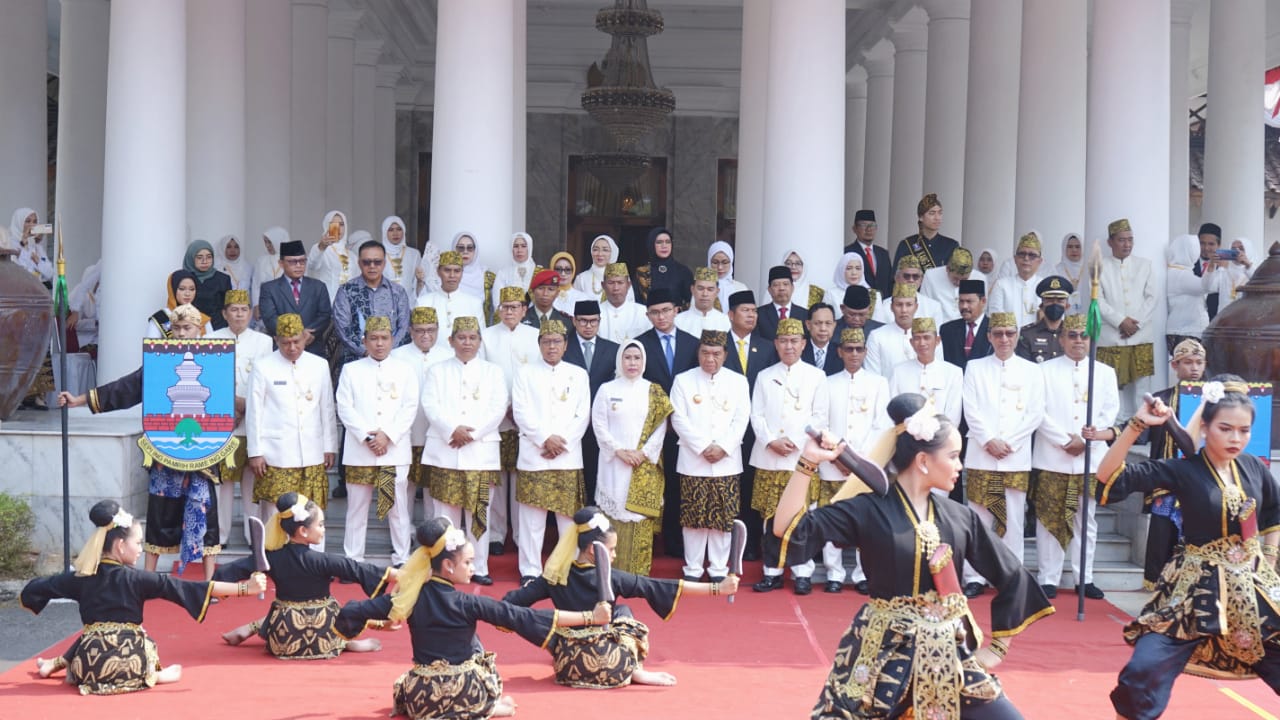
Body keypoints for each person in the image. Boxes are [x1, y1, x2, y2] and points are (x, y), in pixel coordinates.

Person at [772, 394, 1054, 720]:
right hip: (883, 652)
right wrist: (808, 463)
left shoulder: (960, 517)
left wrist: (996, 649)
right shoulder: (868, 511)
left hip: (947, 654)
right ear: (923, 460)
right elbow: (788, 528)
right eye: (953, 456)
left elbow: (1011, 573)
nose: (960, 465)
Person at [1095, 376, 1280, 719]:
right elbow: (1110, 479)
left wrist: (1269, 557)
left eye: (1244, 431)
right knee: (1141, 673)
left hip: (1255, 591)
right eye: (1225, 428)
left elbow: (1273, 512)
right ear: (1206, 426)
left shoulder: (1253, 466)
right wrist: (1137, 425)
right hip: (1195, 591)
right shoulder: (1182, 470)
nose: (1235, 438)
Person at [333, 517, 612, 719]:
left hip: (423, 699)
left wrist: (380, 623)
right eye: (467, 562)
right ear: (447, 565)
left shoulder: (407, 599)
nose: (473, 568)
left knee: (411, 677)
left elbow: (352, 611)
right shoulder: (469, 603)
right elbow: (525, 617)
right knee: (479, 654)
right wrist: (591, 616)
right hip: (465, 691)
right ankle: (485, 708)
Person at [22, 500, 266, 694]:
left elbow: (38, 588)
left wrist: (30, 597)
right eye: (137, 542)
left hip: (90, 667)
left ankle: (60, 665)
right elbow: (196, 588)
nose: (141, 548)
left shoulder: (78, 579)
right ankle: (153, 675)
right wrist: (247, 589)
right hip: (133, 663)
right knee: (128, 634)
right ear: (119, 546)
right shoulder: (139, 579)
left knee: (95, 632)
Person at [60, 305, 223, 579]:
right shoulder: (159, 361)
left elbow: (222, 403)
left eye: (188, 328)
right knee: (160, 513)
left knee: (205, 514)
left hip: (203, 453)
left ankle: (208, 581)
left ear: (199, 330)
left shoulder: (216, 360)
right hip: (165, 449)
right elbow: (126, 388)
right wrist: (80, 399)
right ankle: (147, 579)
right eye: (178, 328)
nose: (182, 334)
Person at [503, 507, 740, 688]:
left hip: (568, 665)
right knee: (623, 612)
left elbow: (510, 605)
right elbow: (657, 586)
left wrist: (481, 608)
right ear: (593, 550)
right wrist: (718, 589)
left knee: (536, 618)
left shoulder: (552, 579)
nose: (614, 555)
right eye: (612, 549)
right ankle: (636, 669)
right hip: (613, 662)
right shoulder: (612, 578)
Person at [216, 492, 393, 657]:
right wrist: (405, 574)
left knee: (283, 606)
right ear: (303, 530)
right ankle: (346, 642)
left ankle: (250, 627)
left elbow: (228, 571)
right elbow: (361, 570)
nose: (324, 529)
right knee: (335, 606)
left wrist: (218, 588)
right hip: (324, 639)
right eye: (320, 525)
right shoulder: (325, 561)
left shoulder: (270, 559)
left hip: (283, 639)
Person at [1030, 314, 1118, 600]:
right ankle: (1048, 578)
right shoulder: (1043, 371)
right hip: (1053, 455)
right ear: (1061, 338)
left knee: (1086, 519)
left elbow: (1109, 411)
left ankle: (1085, 577)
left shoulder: (1105, 372)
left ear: (1091, 339)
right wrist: (1065, 439)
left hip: (1089, 457)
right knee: (1049, 518)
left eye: (1083, 335)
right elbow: (1038, 411)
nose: (1078, 340)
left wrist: (1087, 439)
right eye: (1073, 335)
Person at [960, 312, 1046, 597]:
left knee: (1013, 519)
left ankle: (1011, 575)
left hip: (1015, 455)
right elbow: (970, 409)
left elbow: (1035, 412)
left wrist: (1010, 442)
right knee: (979, 519)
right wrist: (988, 440)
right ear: (989, 336)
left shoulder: (1032, 370)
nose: (1004, 339)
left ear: (1017, 335)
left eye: (1009, 333)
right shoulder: (974, 367)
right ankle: (974, 576)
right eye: (998, 333)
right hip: (981, 454)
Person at [422, 316, 508, 585]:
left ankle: (478, 567)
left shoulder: (493, 372)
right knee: (445, 514)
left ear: (480, 342)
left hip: (480, 451)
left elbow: (498, 407)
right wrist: (452, 430)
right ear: (451, 341)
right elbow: (430, 404)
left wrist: (472, 433)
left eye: (472, 338)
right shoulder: (437, 370)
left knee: (479, 513)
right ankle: (445, 567)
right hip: (445, 449)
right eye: (462, 337)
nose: (467, 342)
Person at [749, 318, 829, 595]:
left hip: (801, 458)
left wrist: (795, 441)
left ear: (804, 344)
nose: (789, 346)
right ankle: (771, 572)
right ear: (776, 343)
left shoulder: (816, 376)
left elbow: (820, 416)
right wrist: (771, 440)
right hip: (769, 456)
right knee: (770, 517)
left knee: (801, 516)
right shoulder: (764, 375)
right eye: (783, 341)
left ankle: (802, 572)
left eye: (794, 341)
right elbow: (756, 414)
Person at [512, 319, 592, 583]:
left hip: (567, 457)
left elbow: (583, 414)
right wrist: (544, 439)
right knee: (531, 520)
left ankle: (566, 567)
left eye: (557, 341)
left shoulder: (578, 374)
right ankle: (530, 570)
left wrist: (562, 442)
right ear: (539, 345)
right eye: (546, 341)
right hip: (535, 455)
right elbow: (521, 411)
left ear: (566, 345)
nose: (551, 346)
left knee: (568, 519)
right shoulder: (524, 373)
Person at [336, 316, 419, 566]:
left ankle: (402, 558)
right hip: (360, 450)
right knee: (357, 509)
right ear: (365, 341)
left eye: (384, 338)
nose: (379, 344)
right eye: (374, 338)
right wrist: (368, 436)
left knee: (397, 508)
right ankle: (353, 559)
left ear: (392, 340)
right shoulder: (352, 370)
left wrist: (388, 436)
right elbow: (344, 407)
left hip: (393, 450)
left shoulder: (405, 370)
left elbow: (409, 407)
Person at [669, 331, 750, 581]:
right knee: (693, 518)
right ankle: (692, 569)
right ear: (698, 353)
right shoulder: (683, 381)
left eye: (716, 353)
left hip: (727, 461)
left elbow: (741, 419)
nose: (710, 358)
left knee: (722, 518)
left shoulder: (738, 381)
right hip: (694, 460)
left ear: (725, 355)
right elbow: (677, 418)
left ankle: (718, 569)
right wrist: (703, 446)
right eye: (705, 352)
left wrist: (723, 447)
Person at [817, 327, 891, 594]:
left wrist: (856, 460)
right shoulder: (827, 382)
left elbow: (881, 425)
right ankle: (834, 573)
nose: (854, 354)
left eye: (859, 349)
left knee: (866, 521)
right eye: (849, 349)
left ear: (866, 352)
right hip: (832, 462)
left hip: (865, 464)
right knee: (832, 517)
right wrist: (839, 456)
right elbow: (820, 421)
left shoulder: (879, 383)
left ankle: (862, 573)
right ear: (840, 352)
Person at [247, 313, 339, 526]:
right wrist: (255, 452)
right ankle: (274, 557)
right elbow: (255, 412)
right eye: (285, 343)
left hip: (312, 451)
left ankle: (313, 558)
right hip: (275, 453)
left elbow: (326, 408)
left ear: (305, 337)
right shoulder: (263, 366)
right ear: (276, 340)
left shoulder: (319, 365)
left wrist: (329, 446)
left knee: (312, 512)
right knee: (275, 514)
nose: (292, 348)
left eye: (296, 341)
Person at [592, 340, 674, 575]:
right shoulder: (607, 389)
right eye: (627, 357)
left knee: (638, 518)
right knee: (614, 514)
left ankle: (638, 573)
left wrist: (644, 453)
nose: (632, 363)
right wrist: (619, 451)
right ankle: (611, 572)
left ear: (644, 361)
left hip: (643, 466)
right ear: (620, 360)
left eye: (637, 358)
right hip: (614, 464)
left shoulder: (654, 390)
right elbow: (598, 424)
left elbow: (661, 427)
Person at [1135, 339, 1206, 591]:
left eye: (1199, 362)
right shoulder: (1161, 399)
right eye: (1187, 362)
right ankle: (1156, 588)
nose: (1194, 368)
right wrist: (1106, 434)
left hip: (1204, 481)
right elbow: (1138, 433)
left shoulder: (1213, 400)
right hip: (1168, 481)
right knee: (1161, 538)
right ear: (1174, 365)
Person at [635, 288, 700, 556]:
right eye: (654, 312)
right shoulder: (639, 345)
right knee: (650, 481)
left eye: (665, 310)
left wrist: (680, 419)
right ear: (648, 315)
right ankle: (647, 540)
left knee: (679, 483)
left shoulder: (692, 343)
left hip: (687, 427)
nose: (661, 317)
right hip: (652, 428)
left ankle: (677, 542)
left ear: (676, 310)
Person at [208, 289, 274, 547]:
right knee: (223, 482)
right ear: (224, 313)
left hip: (253, 421)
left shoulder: (263, 341)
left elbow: (265, 380)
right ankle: (220, 535)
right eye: (233, 309)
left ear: (250, 313)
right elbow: (209, 380)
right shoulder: (212, 339)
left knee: (251, 481)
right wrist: (230, 408)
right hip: (223, 422)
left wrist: (246, 408)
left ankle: (253, 536)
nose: (239, 314)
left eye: (244, 309)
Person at [480, 287, 540, 556]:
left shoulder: (535, 336)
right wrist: (501, 407)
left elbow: (539, 375)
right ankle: (495, 533)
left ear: (524, 310)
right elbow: (482, 375)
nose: (509, 311)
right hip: (495, 416)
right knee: (497, 477)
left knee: (520, 478)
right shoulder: (487, 336)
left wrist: (521, 408)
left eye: (515, 306)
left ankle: (519, 534)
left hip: (526, 418)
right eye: (505, 306)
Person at [722, 289, 777, 562]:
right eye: (745, 311)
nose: (752, 315)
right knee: (729, 486)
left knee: (752, 487)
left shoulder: (767, 347)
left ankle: (752, 543)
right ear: (730, 315)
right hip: (726, 430)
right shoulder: (718, 345)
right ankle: (727, 543)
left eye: (754, 311)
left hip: (757, 432)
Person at [391, 306, 453, 509]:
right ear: (411, 331)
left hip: (438, 433)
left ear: (438, 330)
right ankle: (405, 533)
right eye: (420, 330)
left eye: (431, 330)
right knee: (404, 486)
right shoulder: (397, 356)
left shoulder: (449, 356)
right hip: (406, 433)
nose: (426, 335)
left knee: (434, 488)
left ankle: (434, 535)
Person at [1096, 218, 1157, 417]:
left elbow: (1152, 298)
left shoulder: (1145, 265)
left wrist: (1134, 324)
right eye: (1122, 240)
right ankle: (1116, 426)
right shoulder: (1099, 267)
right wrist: (1120, 321)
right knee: (1113, 385)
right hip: (1110, 336)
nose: (1127, 244)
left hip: (1140, 335)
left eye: (1130, 239)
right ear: (1110, 242)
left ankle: (1143, 425)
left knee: (1142, 386)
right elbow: (1097, 301)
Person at [564, 299, 619, 503]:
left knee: (599, 472)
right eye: (583, 321)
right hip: (571, 422)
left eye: (593, 321)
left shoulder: (613, 350)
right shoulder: (564, 347)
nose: (588, 326)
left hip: (604, 423)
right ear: (575, 321)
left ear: (599, 321)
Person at [331, 238, 412, 362]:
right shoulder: (346, 291)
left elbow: (403, 327)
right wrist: (365, 351)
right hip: (356, 359)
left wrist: (385, 352)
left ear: (384, 263)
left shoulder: (397, 292)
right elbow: (343, 328)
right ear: (359, 263)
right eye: (366, 262)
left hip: (392, 359)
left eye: (377, 262)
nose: (372, 266)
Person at [258, 239, 332, 357]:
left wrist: (308, 334)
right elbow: (270, 318)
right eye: (293, 262)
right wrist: (297, 334)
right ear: (281, 263)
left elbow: (325, 315)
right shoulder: (269, 288)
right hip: (283, 349)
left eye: (302, 261)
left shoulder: (318, 286)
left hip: (312, 348)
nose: (298, 265)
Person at [889, 318, 962, 429]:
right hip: (906, 437)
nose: (922, 343)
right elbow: (893, 408)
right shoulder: (899, 371)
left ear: (937, 340)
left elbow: (954, 413)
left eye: (926, 338)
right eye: (917, 338)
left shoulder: (953, 372)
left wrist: (940, 438)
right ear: (911, 342)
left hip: (941, 438)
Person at [416, 249, 485, 348]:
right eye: (447, 270)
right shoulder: (423, 302)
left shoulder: (475, 303)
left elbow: (480, 341)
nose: (452, 275)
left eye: (457, 271)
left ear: (462, 273)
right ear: (438, 272)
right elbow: (418, 340)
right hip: (432, 361)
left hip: (463, 361)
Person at [987, 231, 1045, 329]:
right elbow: (994, 318)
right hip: (1008, 341)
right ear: (1015, 259)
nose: (1026, 258)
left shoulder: (1045, 287)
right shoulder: (1001, 285)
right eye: (1022, 254)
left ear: (1039, 261)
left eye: (1032, 255)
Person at [871, 255, 945, 329]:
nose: (911, 280)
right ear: (896, 278)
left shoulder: (934, 306)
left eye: (915, 276)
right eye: (906, 276)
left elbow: (937, 336)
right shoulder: (884, 306)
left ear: (921, 279)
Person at [1164, 233, 1209, 354]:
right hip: (1186, 331)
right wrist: (1216, 267)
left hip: (1183, 330)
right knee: (1190, 369)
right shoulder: (1180, 274)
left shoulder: (1179, 271)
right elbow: (1207, 286)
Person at [864, 283, 918, 381]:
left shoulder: (927, 336)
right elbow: (872, 377)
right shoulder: (877, 336)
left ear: (916, 307)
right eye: (899, 305)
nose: (904, 310)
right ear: (891, 307)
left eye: (909, 305)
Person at [1014, 275, 1073, 364]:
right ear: (1041, 306)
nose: (1055, 304)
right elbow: (1023, 368)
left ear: (1067, 306)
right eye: (1050, 300)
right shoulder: (1028, 334)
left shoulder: (1072, 334)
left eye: (1060, 301)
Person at [893, 192, 959, 271]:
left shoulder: (951, 245)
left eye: (940, 213)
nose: (937, 218)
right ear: (921, 217)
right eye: (932, 213)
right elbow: (896, 278)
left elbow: (956, 278)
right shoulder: (907, 244)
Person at [921, 247, 986, 324]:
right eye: (955, 278)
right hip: (939, 328)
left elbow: (981, 309)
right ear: (947, 269)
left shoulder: (980, 278)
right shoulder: (931, 276)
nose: (959, 283)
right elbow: (924, 307)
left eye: (964, 279)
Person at [940, 279, 993, 371]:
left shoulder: (995, 329)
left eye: (969, 302)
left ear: (983, 301)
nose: (964, 306)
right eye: (961, 301)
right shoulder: (947, 330)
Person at [634, 226, 693, 308]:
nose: (664, 246)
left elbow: (691, 302)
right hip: (647, 318)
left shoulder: (683, 272)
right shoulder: (642, 272)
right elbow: (636, 303)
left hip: (677, 319)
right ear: (651, 244)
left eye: (668, 242)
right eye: (659, 242)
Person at [183, 239, 232, 330]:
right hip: (188, 329)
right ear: (191, 258)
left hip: (217, 330)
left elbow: (229, 308)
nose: (205, 261)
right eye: (199, 257)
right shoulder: (183, 279)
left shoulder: (223, 279)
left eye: (209, 257)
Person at [149, 270, 213, 338]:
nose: (187, 294)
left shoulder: (202, 318)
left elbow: (212, 347)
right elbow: (151, 347)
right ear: (172, 289)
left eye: (192, 289)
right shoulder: (161, 318)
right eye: (182, 289)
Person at [598, 261, 650, 342]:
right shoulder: (596, 313)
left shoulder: (642, 312)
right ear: (603, 285)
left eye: (620, 283)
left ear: (628, 285)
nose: (616, 288)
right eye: (611, 283)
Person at [845, 209, 892, 297]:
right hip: (858, 303)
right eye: (863, 225)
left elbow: (889, 282)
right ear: (854, 229)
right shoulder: (847, 252)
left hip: (882, 304)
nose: (869, 229)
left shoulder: (883, 253)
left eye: (872, 225)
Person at [309, 209, 353, 301]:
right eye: (333, 224)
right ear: (326, 226)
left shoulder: (352, 255)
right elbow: (312, 266)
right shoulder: (320, 248)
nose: (338, 228)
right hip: (327, 302)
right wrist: (321, 247)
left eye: (341, 224)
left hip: (348, 305)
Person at [757, 265, 809, 341]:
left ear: (792, 288)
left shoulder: (805, 315)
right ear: (769, 289)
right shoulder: (759, 314)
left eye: (785, 284)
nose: (781, 288)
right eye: (776, 285)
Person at [490, 232, 537, 315]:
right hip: (510, 317)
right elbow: (497, 301)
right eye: (516, 246)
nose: (519, 250)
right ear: (511, 248)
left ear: (529, 248)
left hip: (533, 318)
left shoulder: (537, 271)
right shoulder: (503, 273)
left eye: (523, 246)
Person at [675, 266, 731, 335]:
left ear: (717, 292)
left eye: (710, 289)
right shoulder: (678, 321)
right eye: (700, 288)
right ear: (692, 289)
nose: (705, 294)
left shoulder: (725, 321)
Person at [452, 232, 494, 316]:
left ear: (476, 250)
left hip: (479, 325)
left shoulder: (487, 277)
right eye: (461, 248)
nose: (465, 252)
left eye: (470, 248)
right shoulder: (446, 275)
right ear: (454, 249)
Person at [251, 226, 287, 324]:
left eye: (270, 242)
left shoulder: (291, 259)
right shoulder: (262, 260)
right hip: (266, 303)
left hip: (286, 304)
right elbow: (256, 285)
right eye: (265, 242)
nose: (267, 245)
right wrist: (256, 305)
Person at [380, 214, 422, 297]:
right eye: (391, 230)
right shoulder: (379, 253)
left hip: (408, 302)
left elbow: (416, 281)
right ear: (385, 232)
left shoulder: (414, 254)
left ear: (404, 231)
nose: (395, 233)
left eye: (399, 229)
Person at [67, 260, 102, 354]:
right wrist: (94, 324)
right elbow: (70, 323)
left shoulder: (98, 296)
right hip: (82, 340)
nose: (98, 284)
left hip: (96, 339)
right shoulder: (77, 296)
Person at [10, 207, 52, 284]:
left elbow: (50, 274)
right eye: (28, 221)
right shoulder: (10, 244)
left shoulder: (36, 246)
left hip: (38, 289)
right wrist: (24, 245)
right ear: (19, 222)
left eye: (35, 222)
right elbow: (21, 272)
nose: (32, 225)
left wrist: (38, 262)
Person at [574, 234, 623, 299]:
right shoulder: (581, 278)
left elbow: (629, 304)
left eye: (605, 250)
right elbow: (575, 305)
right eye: (596, 249)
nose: (600, 254)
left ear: (612, 253)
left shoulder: (621, 278)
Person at [707, 240, 748, 313]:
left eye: (725, 262)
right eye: (715, 262)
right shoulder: (701, 288)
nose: (720, 267)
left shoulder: (741, 288)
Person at [801, 303, 842, 374]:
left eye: (828, 323)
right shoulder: (798, 350)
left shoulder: (841, 352)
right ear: (808, 325)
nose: (823, 329)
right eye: (817, 323)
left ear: (834, 325)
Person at [549, 250, 590, 317]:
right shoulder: (544, 295)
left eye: (568, 270)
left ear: (573, 271)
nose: (563, 274)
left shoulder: (582, 298)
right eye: (558, 269)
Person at [1054, 233, 1086, 313]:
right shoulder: (1056, 270)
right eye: (1070, 247)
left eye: (1078, 247)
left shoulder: (1089, 270)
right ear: (1064, 248)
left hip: (1086, 318)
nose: (1074, 250)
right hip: (1063, 317)